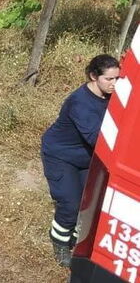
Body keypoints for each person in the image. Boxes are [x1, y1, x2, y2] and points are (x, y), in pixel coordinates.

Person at [41, 54, 120, 267]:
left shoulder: (111, 96)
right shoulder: (80, 103)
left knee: (90, 201)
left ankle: (77, 239)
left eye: (117, 78)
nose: (114, 84)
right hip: (60, 156)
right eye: (109, 79)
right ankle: (60, 243)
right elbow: (97, 139)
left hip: (85, 158)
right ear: (94, 76)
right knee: (71, 202)